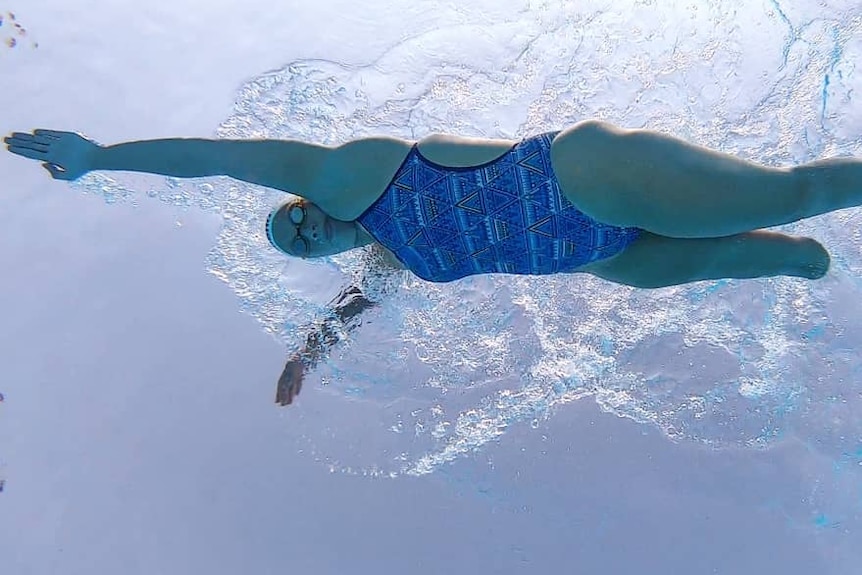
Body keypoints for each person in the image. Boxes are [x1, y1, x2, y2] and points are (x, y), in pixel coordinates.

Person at [6, 121, 858, 404]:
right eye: (295, 241)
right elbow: (352, 308)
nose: (299, 226)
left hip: (592, 177)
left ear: (310, 203)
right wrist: (306, 354)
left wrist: (102, 155)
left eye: (291, 218)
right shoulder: (389, 259)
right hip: (605, 254)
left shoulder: (352, 174)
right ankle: (802, 261)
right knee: (790, 259)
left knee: (785, 196)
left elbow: (220, 156)